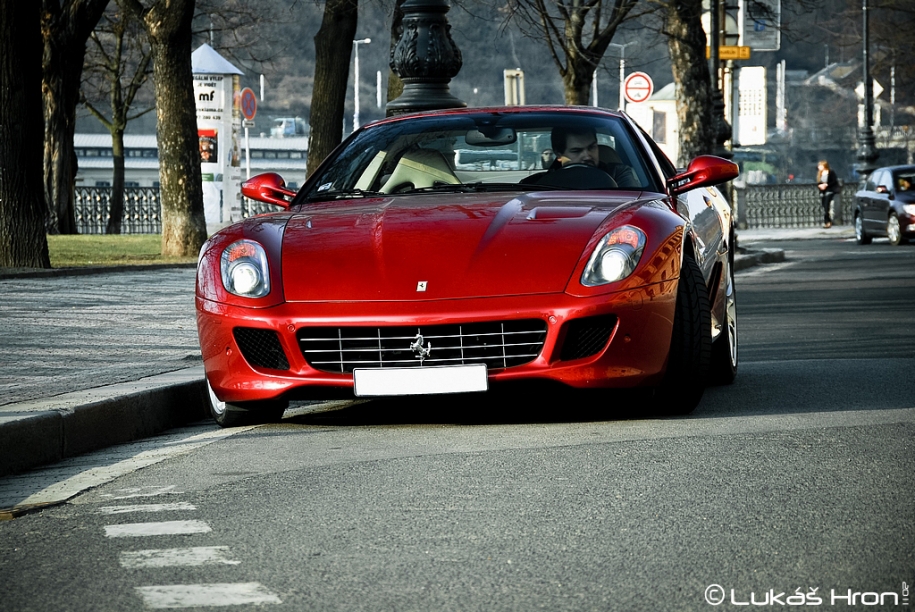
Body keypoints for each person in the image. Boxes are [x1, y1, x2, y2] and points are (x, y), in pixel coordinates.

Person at [816, 160, 839, 228]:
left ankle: (827, 222)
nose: (819, 167)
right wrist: (820, 186)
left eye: (820, 166)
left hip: (830, 191)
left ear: (824, 166)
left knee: (827, 207)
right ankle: (828, 221)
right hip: (823, 192)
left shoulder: (830, 172)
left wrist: (826, 185)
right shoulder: (820, 173)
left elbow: (834, 181)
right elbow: (819, 182)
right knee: (824, 207)